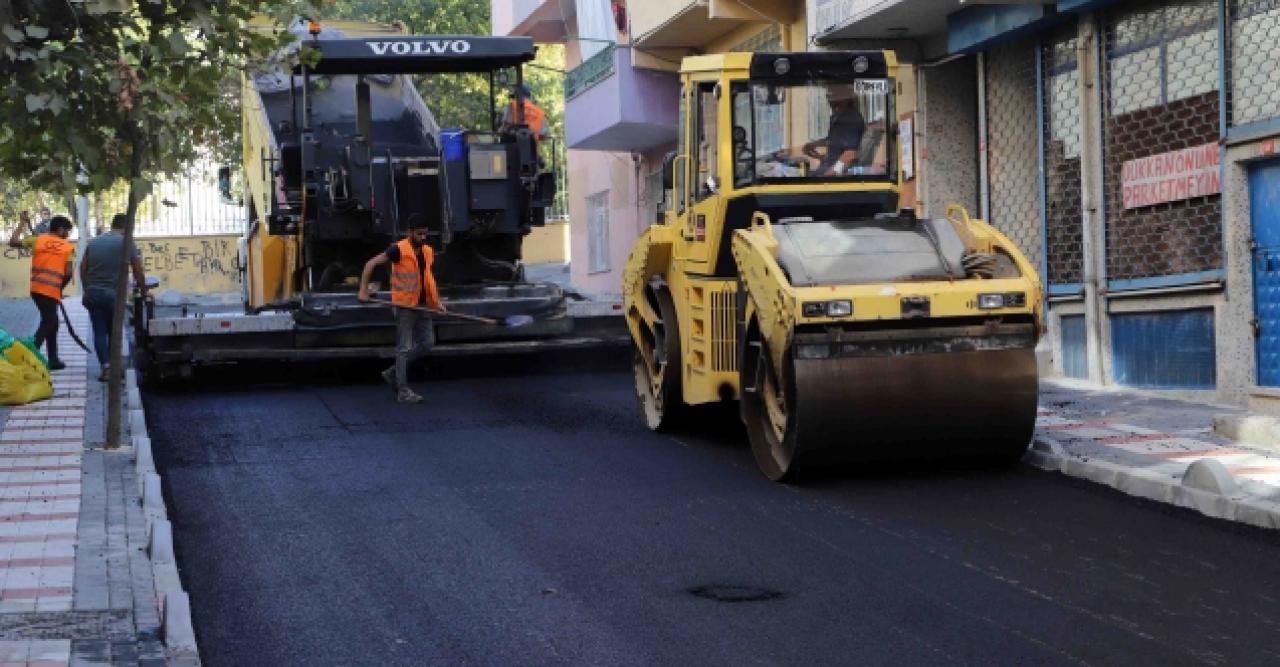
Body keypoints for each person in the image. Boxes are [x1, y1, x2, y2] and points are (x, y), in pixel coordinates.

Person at [356, 215, 445, 403]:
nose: (423, 237)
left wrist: (437, 302)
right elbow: (369, 264)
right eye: (419, 234)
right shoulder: (398, 249)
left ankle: (393, 372)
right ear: (410, 232)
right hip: (404, 306)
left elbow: (428, 278)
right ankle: (403, 391)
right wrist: (363, 290)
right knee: (404, 348)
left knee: (427, 343)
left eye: (425, 234)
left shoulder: (428, 251)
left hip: (422, 305)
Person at [80, 214, 148, 381]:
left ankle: (106, 368)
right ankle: (114, 368)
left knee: (99, 331)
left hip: (93, 294)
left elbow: (83, 267)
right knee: (114, 332)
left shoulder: (94, 242)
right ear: (127, 227)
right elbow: (137, 269)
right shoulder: (127, 243)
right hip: (113, 296)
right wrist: (144, 290)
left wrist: (88, 288)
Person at [25, 215, 75, 370]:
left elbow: (13, 241)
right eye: (67, 231)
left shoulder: (38, 240)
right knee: (49, 321)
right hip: (50, 290)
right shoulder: (67, 247)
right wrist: (59, 289)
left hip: (36, 289)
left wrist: (21, 223)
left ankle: (53, 360)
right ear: (60, 229)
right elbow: (68, 273)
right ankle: (28, 355)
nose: (68, 234)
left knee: (51, 322)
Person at [804, 84, 866, 176]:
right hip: (827, 165)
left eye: (833, 94)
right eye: (828, 94)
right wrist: (814, 145)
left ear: (846, 96)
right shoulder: (837, 116)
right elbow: (834, 140)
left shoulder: (850, 119)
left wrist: (829, 175)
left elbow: (849, 155)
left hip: (834, 173)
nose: (830, 99)